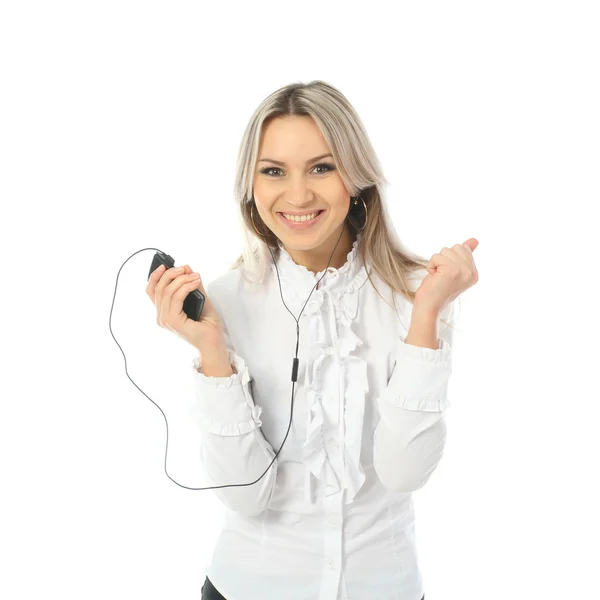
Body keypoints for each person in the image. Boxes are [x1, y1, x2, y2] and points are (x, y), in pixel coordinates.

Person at [147, 80, 479, 600]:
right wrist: (213, 352)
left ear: (356, 176)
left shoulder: (422, 293)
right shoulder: (226, 300)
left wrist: (427, 315)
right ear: (250, 185)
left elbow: (405, 471)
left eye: (322, 167)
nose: (298, 195)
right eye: (274, 171)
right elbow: (244, 495)